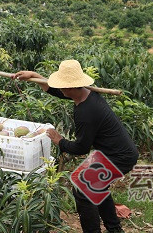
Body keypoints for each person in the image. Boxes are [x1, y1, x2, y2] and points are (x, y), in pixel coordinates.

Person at [15, 59, 138, 233]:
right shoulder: (85, 94)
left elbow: (81, 148)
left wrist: (59, 140)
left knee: (83, 190)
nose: (61, 89)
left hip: (119, 157)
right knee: (96, 187)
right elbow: (57, 91)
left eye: (63, 86)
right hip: (112, 153)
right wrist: (35, 76)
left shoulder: (86, 112)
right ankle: (115, 229)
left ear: (72, 87)